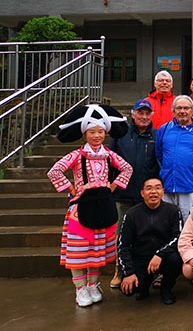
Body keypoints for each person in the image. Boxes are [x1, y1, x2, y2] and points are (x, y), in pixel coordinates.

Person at [46, 104, 132, 307]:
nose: (96, 136)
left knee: (97, 251)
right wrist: (71, 188)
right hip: (80, 208)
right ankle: (80, 288)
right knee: (79, 252)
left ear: (106, 133)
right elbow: (54, 171)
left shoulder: (109, 155)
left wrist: (113, 186)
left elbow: (127, 168)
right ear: (85, 133)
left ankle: (93, 284)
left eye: (100, 132)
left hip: (103, 206)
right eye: (92, 132)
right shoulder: (76, 155)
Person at [109, 99, 161, 289]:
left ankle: (151, 271)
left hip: (148, 195)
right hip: (123, 193)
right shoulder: (120, 134)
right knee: (122, 233)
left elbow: (159, 162)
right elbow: (110, 160)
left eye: (148, 113)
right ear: (133, 114)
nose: (144, 117)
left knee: (150, 233)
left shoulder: (157, 135)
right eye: (140, 113)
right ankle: (120, 270)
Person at [118, 176, 182, 305]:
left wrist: (159, 254)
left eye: (157, 188)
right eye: (149, 188)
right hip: (140, 257)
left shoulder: (173, 211)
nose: (153, 192)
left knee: (176, 259)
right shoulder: (131, 214)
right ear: (142, 193)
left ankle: (166, 289)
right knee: (129, 289)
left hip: (164, 257)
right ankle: (144, 286)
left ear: (163, 192)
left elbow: (178, 237)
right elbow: (122, 245)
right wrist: (128, 273)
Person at [155, 95, 193, 221]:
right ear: (173, 111)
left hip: (191, 186)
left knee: (190, 223)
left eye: (186, 108)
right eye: (179, 108)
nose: (182, 111)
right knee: (168, 222)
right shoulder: (164, 128)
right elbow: (159, 154)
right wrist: (168, 170)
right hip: (168, 185)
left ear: (192, 110)